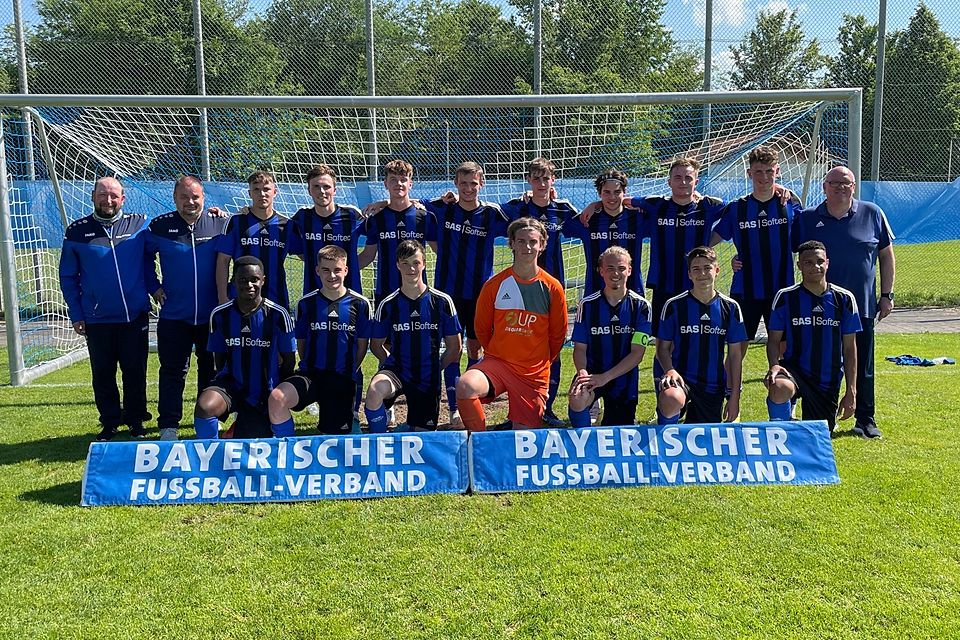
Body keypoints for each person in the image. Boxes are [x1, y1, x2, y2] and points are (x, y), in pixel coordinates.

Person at [792, 166, 896, 439]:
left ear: (853, 187)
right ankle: (803, 412)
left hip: (859, 306)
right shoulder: (807, 218)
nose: (840, 187)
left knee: (862, 363)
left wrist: (887, 295)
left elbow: (886, 255)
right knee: (811, 361)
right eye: (834, 182)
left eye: (846, 183)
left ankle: (865, 419)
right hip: (815, 307)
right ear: (824, 186)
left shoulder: (872, 212)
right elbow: (784, 252)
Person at [59, 176, 152, 441]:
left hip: (134, 316)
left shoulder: (140, 225)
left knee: (135, 371)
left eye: (113, 195)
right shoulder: (76, 232)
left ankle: (136, 421)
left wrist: (217, 214)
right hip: (97, 318)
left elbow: (175, 228)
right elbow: (68, 277)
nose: (108, 200)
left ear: (123, 198)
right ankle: (109, 422)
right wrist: (77, 314)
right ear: (92, 196)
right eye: (103, 194)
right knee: (103, 374)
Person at [710, 146, 803, 407]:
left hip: (781, 291)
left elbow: (803, 241)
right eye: (758, 172)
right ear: (749, 173)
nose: (764, 177)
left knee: (783, 346)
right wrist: (718, 260)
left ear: (778, 172)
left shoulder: (790, 203)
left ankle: (785, 400)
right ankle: (728, 397)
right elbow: (710, 241)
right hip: (745, 290)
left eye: (769, 172)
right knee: (737, 346)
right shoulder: (737, 209)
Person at [455, 217, 568, 431]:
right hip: (498, 364)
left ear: (542, 245)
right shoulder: (494, 285)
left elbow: (557, 336)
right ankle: (480, 443)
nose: (527, 247)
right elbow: (481, 329)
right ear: (512, 244)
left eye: (533, 242)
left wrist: (537, 361)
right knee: (465, 385)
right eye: (521, 241)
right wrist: (499, 352)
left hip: (533, 372)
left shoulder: (553, 288)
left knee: (521, 439)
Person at [421, 161, 508, 426]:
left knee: (475, 346)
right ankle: (453, 408)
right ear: (456, 185)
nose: (469, 189)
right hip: (448, 293)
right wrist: (440, 197)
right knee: (451, 347)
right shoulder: (442, 210)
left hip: (480, 293)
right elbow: (412, 202)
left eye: (474, 183)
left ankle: (470, 399)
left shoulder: (492, 214)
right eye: (464, 183)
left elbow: (519, 220)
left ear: (482, 184)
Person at [145, 176, 224, 441]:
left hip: (211, 316)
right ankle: (169, 425)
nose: (190, 202)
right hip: (174, 316)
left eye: (195, 197)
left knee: (210, 369)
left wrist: (229, 296)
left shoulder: (220, 223)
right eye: (184, 197)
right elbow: (141, 259)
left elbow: (238, 260)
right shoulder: (160, 227)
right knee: (172, 371)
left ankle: (207, 419)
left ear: (204, 197)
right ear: (174, 198)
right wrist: (153, 286)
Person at [500, 158, 578, 425]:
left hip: (552, 291)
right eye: (536, 178)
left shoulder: (564, 209)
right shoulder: (518, 208)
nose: (542, 184)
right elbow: (483, 209)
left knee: (551, 350)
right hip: (520, 291)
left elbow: (589, 219)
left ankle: (547, 408)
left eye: (546, 179)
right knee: (517, 350)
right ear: (529, 181)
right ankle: (516, 413)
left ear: (553, 181)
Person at [287, 164, 366, 425]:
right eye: (316, 187)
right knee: (314, 349)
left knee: (350, 351)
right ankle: (317, 396)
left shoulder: (352, 216)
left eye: (326, 186)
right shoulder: (301, 218)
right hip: (314, 298)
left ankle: (352, 410)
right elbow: (294, 247)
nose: (322, 191)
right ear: (309, 190)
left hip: (349, 298)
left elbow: (381, 229)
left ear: (335, 189)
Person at [268, 245, 372, 436]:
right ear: (317, 270)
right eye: (326, 270)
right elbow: (302, 344)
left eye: (337, 270)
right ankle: (287, 454)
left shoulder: (360, 304)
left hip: (341, 378)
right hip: (312, 376)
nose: (332, 275)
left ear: (346, 270)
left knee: (332, 438)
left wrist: (347, 370)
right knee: (277, 398)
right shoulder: (306, 304)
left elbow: (362, 347)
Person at [364, 240, 462, 432]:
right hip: (397, 372)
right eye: (405, 263)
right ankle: (381, 440)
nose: (411, 268)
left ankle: (407, 429)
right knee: (375, 391)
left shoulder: (442, 301)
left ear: (424, 264)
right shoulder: (388, 304)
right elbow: (376, 345)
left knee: (421, 435)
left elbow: (454, 347)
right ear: (397, 265)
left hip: (427, 375)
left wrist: (436, 367)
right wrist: (391, 362)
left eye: (416, 263)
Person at [195, 256, 296, 439]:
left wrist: (275, 394)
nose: (249, 284)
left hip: (265, 391)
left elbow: (289, 360)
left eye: (254, 279)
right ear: (233, 281)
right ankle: (212, 459)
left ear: (263, 281)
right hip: (231, 386)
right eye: (242, 280)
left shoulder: (278, 315)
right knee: (205, 407)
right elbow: (220, 359)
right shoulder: (220, 315)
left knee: (254, 441)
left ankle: (281, 446)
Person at [764, 241, 860, 432]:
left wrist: (851, 390)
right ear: (799, 266)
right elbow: (773, 340)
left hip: (827, 377)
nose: (815, 266)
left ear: (827, 263)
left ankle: (801, 420)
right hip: (795, 369)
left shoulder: (845, 299)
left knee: (819, 434)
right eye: (808, 262)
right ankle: (781, 429)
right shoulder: (785, 297)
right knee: (780, 385)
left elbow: (850, 349)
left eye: (819, 261)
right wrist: (774, 364)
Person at [656, 246, 747, 425]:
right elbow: (661, 349)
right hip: (680, 379)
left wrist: (734, 396)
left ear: (717, 270)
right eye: (696, 269)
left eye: (707, 268)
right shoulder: (674, 305)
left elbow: (735, 356)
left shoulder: (731, 307)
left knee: (704, 438)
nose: (702, 273)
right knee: (671, 398)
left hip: (712, 385)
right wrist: (670, 370)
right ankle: (665, 438)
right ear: (689, 274)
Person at [568, 247, 652, 428]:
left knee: (617, 433)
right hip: (592, 374)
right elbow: (580, 349)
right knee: (577, 398)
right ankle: (584, 435)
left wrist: (605, 377)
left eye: (621, 268)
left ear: (630, 270)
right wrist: (582, 372)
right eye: (610, 268)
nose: (616, 273)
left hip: (624, 379)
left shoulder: (642, 307)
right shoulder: (587, 304)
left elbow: (637, 354)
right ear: (601, 270)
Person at [358, 159, 438, 307]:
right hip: (386, 292)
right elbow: (368, 255)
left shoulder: (424, 217)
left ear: (410, 184)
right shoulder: (377, 219)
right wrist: (341, 270)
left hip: (419, 292)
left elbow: (439, 250)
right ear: (385, 184)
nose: (399, 184)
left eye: (403, 180)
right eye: (393, 180)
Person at [216, 170, 295, 310]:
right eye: (256, 189)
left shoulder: (287, 225)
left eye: (266, 189)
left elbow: (305, 255)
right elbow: (223, 261)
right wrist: (222, 297)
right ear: (249, 193)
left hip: (276, 298)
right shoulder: (236, 222)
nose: (262, 194)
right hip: (239, 297)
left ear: (275, 192)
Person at [562, 169, 647, 296]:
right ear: (599, 193)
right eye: (607, 192)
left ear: (625, 192)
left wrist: (636, 202)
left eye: (617, 192)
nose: (612, 197)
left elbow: (666, 206)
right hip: (595, 293)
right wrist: (533, 196)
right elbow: (558, 223)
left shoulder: (638, 217)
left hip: (632, 292)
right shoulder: (588, 219)